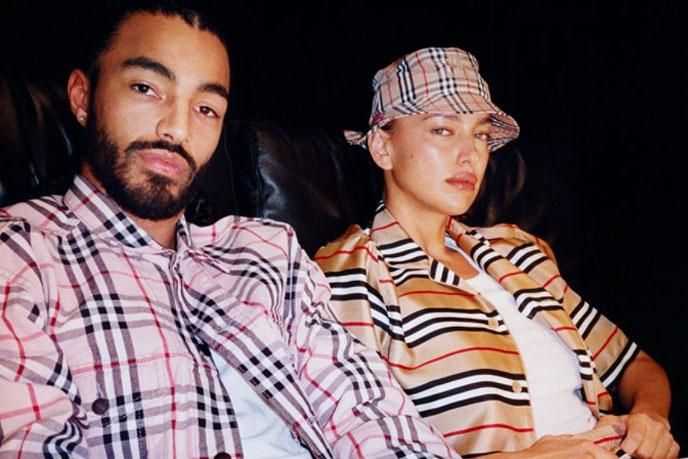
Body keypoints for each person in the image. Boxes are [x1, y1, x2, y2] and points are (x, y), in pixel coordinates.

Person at [0, 4, 459, 457]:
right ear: (83, 98)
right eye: (146, 88)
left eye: (206, 108)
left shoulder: (269, 250)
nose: (176, 129)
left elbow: (367, 408)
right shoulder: (20, 255)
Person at [315, 47, 679, 458]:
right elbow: (353, 443)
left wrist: (650, 418)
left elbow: (634, 364)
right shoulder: (350, 273)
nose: (470, 154)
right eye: (442, 130)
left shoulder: (518, 250)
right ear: (383, 147)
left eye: (481, 134)